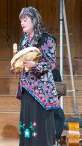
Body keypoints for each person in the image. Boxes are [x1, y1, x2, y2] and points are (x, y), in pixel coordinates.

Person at [16, 7, 60, 146]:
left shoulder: (46, 39)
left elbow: (51, 63)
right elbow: (22, 60)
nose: (22, 23)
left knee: (40, 124)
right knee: (27, 123)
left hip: (42, 89)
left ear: (34, 20)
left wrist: (34, 65)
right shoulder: (23, 39)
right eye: (21, 20)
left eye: (25, 20)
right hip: (26, 88)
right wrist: (17, 66)